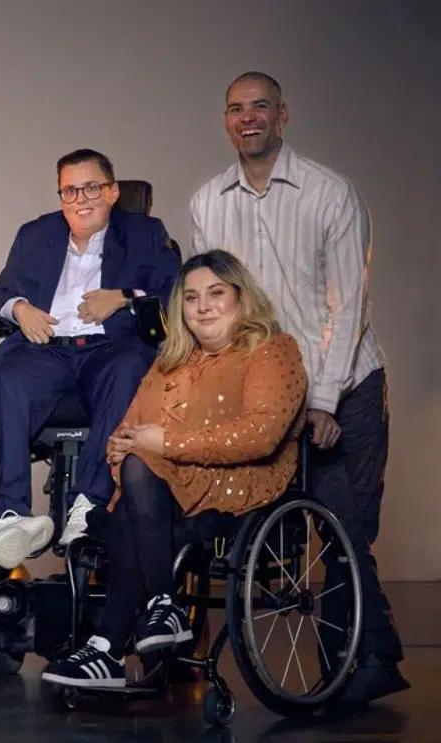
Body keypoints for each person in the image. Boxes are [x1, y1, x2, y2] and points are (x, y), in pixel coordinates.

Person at [189, 71, 407, 706]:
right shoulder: (209, 202)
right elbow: (213, 308)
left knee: (343, 528)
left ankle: (364, 664)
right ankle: (358, 665)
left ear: (282, 116)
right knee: (281, 525)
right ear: (226, 121)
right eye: (236, 109)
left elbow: (349, 305)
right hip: (270, 391)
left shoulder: (330, 193)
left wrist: (323, 400)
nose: (248, 118)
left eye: (260, 107)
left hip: (346, 384)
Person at [41, 251, 307, 688]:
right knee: (135, 475)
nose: (203, 307)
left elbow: (260, 436)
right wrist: (134, 447)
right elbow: (123, 435)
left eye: (216, 294)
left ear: (241, 297)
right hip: (164, 490)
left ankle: (109, 646)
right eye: (191, 298)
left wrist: (164, 443)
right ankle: (158, 610)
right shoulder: (171, 361)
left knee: (136, 484)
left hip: (238, 487)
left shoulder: (272, 350)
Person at [0, 148, 180, 569]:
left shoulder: (145, 233)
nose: (80, 200)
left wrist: (123, 297)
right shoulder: (35, 234)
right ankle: (8, 516)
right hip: (47, 347)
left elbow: (175, 294)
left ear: (112, 191)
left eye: (91, 188)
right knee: (6, 373)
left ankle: (87, 507)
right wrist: (20, 308)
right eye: (69, 191)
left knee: (131, 368)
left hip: (111, 348)